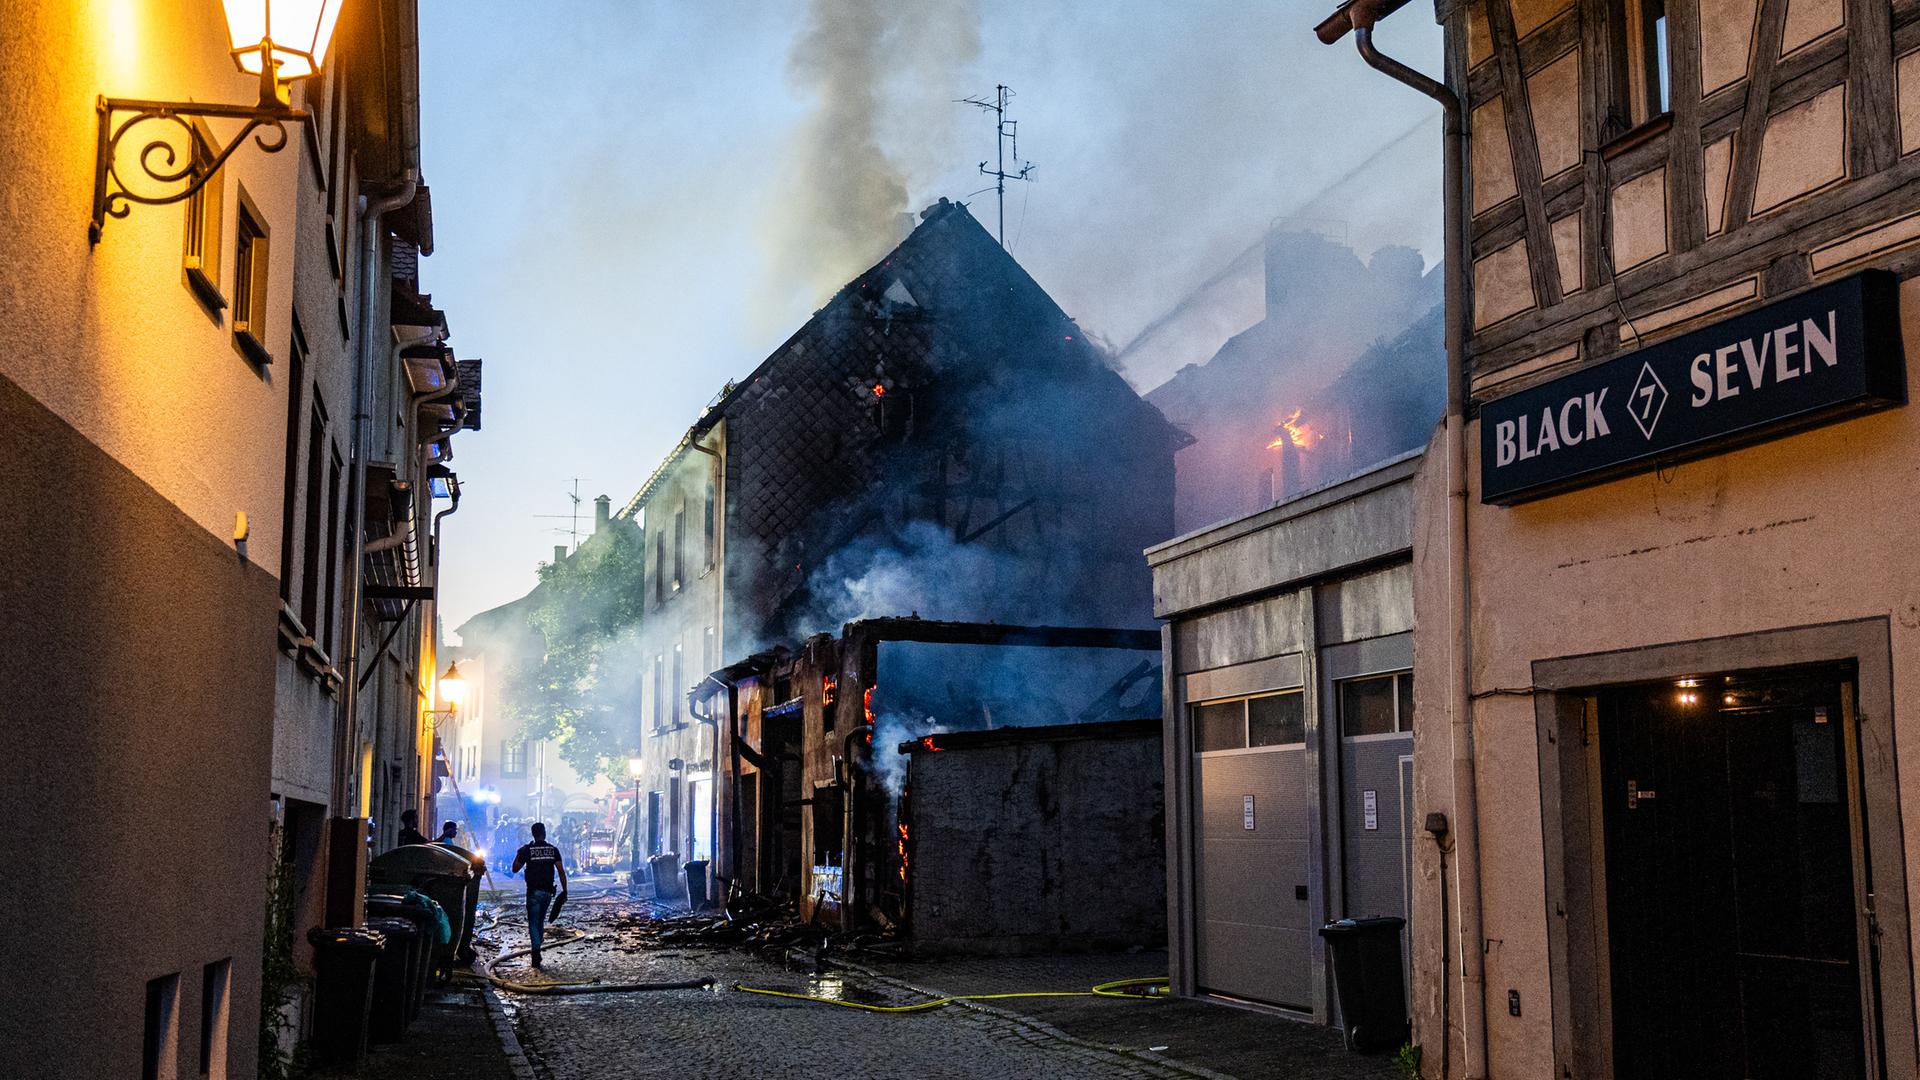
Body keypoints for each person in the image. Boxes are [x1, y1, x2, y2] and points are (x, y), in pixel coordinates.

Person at [510, 822, 567, 967]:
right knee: (540, 921)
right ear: (545, 833)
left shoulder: (527, 850)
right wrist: (565, 890)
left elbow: (515, 868)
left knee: (533, 923)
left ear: (533, 834)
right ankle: (537, 945)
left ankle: (536, 950)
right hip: (547, 893)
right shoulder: (553, 850)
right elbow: (561, 871)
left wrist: (519, 853)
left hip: (533, 893)